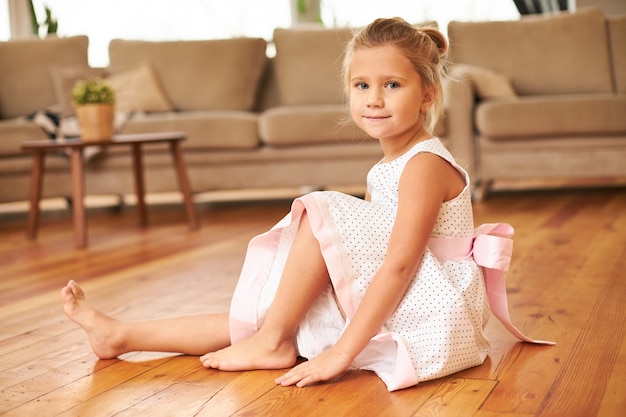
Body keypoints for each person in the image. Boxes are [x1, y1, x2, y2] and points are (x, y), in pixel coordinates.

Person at [62, 17, 551, 392]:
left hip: (433, 312)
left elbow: (401, 266)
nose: (374, 99)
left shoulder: (423, 164)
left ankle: (272, 341)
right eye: (362, 86)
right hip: (407, 294)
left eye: (392, 85)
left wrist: (341, 352)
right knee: (259, 316)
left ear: (427, 94)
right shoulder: (392, 164)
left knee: (320, 216)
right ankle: (121, 336)